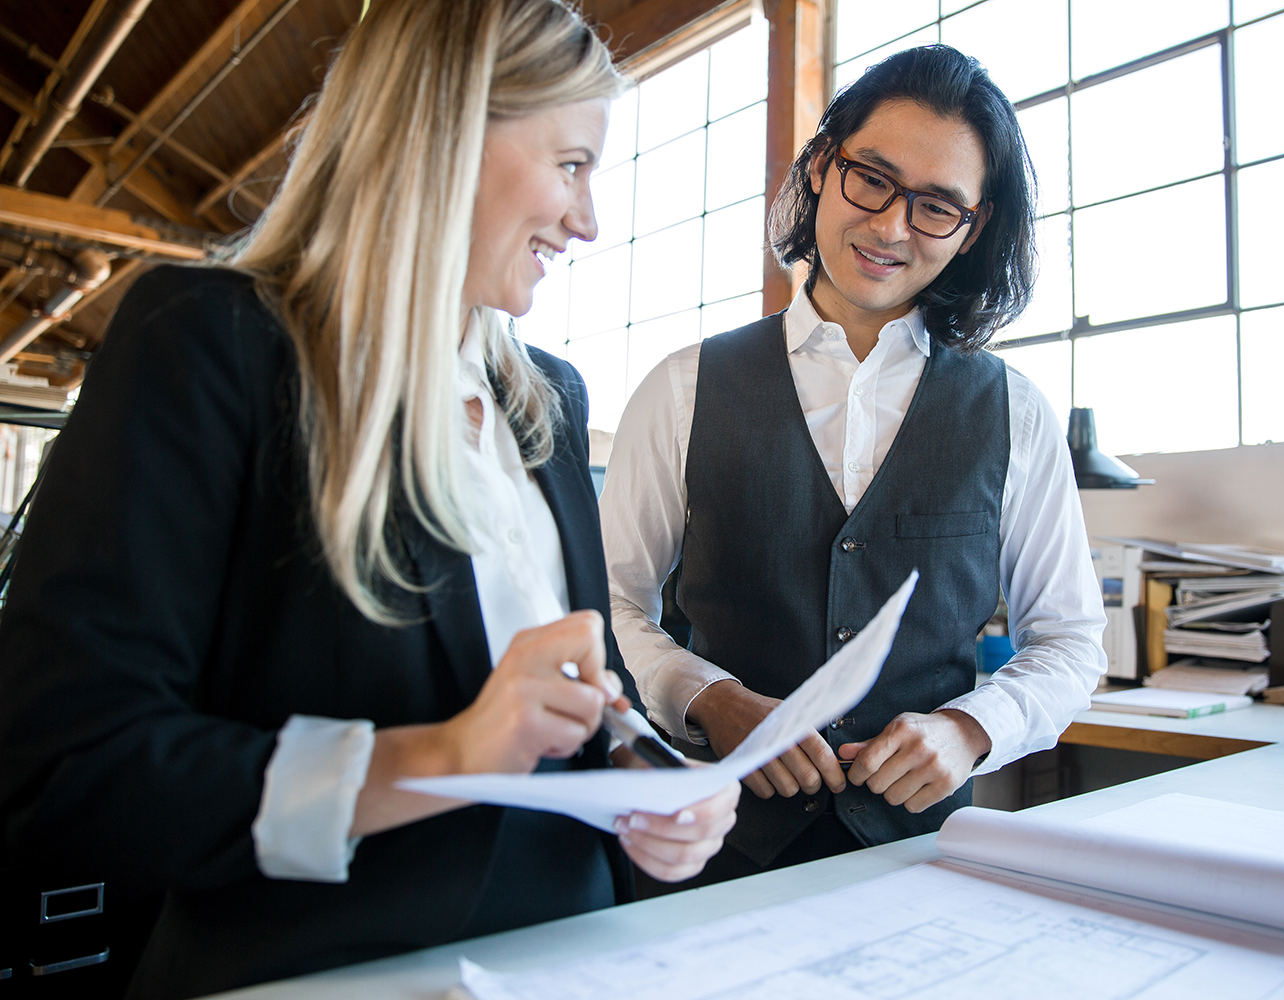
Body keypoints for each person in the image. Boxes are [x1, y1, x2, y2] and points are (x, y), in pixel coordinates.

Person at [0, 1, 735, 996]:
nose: (588, 218)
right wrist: (441, 753)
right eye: (570, 164)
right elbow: (75, 767)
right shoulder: (211, 348)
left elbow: (582, 680)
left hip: (572, 963)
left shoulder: (548, 399)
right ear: (445, 130)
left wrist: (644, 773)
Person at [600, 44, 1106, 885]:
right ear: (824, 166)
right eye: (871, 177)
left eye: (937, 206)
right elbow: (611, 606)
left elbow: (1069, 640)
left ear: (973, 228)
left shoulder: (1014, 411)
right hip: (711, 852)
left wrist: (970, 729)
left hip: (925, 863)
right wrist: (704, 696)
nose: (891, 226)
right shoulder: (682, 387)